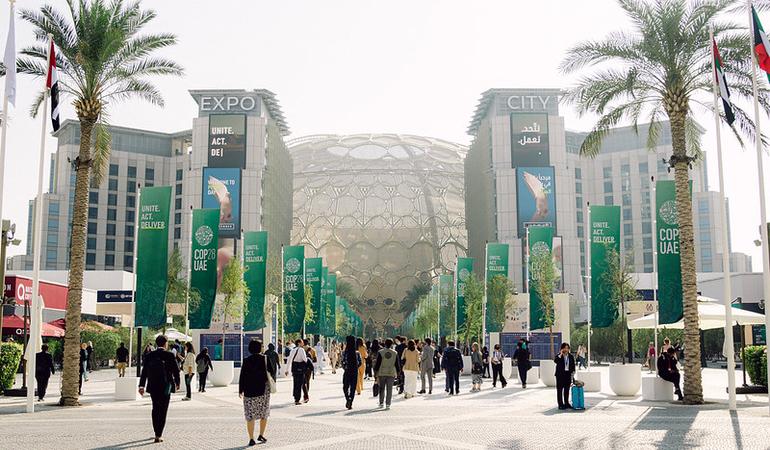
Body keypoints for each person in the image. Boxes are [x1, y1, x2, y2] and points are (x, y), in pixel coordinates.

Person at [139, 335, 180, 443]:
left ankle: (156, 431)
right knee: (163, 410)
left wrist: (141, 385)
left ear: (157, 343)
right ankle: (159, 434)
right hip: (166, 386)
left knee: (155, 408)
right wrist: (178, 382)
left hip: (153, 386)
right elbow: (176, 370)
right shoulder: (170, 355)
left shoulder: (149, 355)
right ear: (165, 343)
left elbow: (144, 372)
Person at [239, 340, 270, 446]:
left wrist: (240, 390)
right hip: (263, 390)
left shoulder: (246, 360)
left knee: (250, 415)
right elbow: (271, 373)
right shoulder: (264, 359)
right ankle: (261, 434)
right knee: (264, 414)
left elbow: (242, 376)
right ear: (259, 348)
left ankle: (251, 438)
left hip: (249, 391)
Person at [374, 338, 400, 409]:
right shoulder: (395, 353)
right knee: (389, 389)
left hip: (382, 372)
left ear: (385, 344)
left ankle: (381, 403)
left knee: (381, 388)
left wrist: (375, 373)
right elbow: (397, 364)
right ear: (392, 344)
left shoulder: (380, 352)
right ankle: (388, 404)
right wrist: (398, 373)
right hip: (391, 373)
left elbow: (377, 364)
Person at [285, 339, 308, 405]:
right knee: (300, 384)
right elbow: (305, 359)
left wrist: (287, 370)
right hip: (300, 369)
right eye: (302, 342)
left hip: (294, 369)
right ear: (299, 343)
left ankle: (295, 397)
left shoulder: (292, 350)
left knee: (295, 383)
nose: (303, 343)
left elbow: (289, 360)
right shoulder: (301, 350)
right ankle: (297, 399)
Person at [341, 335, 361, 409]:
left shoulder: (344, 352)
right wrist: (355, 367)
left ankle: (347, 398)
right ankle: (351, 401)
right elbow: (360, 362)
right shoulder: (357, 353)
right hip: (355, 371)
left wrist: (345, 368)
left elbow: (342, 362)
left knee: (345, 387)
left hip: (347, 371)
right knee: (353, 387)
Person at [554, 342, 575, 410]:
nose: (566, 349)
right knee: (559, 390)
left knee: (567, 389)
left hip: (568, 374)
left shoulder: (571, 356)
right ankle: (560, 404)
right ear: (562, 349)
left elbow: (573, 365)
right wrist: (561, 354)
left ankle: (566, 403)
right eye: (564, 348)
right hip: (560, 375)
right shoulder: (559, 356)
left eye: (567, 348)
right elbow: (555, 361)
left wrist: (573, 373)